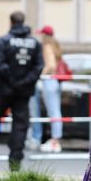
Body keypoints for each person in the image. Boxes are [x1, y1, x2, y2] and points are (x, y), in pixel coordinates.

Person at [0, 11, 44, 171]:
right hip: (22, 93)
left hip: (2, 90)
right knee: (20, 125)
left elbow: (0, 64)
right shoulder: (35, 43)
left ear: (11, 22)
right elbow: (38, 67)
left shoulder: (3, 41)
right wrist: (22, 82)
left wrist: (11, 81)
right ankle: (15, 163)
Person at [29, 25, 64, 154]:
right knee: (54, 111)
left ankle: (55, 141)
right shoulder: (55, 46)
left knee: (53, 111)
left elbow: (51, 65)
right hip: (54, 81)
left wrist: (40, 75)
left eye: (41, 34)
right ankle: (54, 140)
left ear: (45, 35)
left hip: (49, 81)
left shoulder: (47, 47)